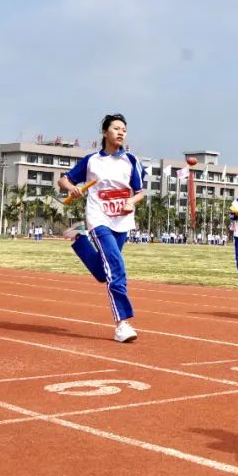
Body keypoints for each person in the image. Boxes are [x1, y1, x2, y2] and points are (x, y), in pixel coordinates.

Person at [58, 113, 146, 343]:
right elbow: (64, 179)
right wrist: (72, 188)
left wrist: (130, 202)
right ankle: (122, 324)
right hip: (99, 219)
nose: (121, 132)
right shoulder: (92, 161)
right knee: (116, 266)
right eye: (116, 128)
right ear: (105, 132)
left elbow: (140, 193)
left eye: (124, 129)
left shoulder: (131, 161)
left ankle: (79, 240)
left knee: (102, 272)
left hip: (122, 222)